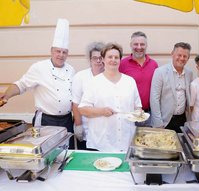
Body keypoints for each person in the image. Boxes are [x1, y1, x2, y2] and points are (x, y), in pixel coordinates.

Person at [0, 19, 76, 149]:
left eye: (64, 52)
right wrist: (6, 96)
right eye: (58, 51)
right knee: (45, 151)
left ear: (67, 53)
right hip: (46, 120)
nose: (61, 55)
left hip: (67, 120)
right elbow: (21, 85)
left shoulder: (71, 70)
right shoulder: (39, 68)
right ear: (51, 51)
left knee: (65, 152)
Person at [78, 43, 142, 152]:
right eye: (110, 57)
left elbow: (137, 107)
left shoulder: (129, 81)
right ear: (103, 59)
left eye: (116, 57)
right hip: (102, 142)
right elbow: (82, 109)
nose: (113, 60)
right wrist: (101, 111)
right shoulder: (94, 82)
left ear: (120, 60)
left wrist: (139, 113)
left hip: (126, 140)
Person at [150, 42, 193, 133]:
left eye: (185, 56)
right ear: (172, 54)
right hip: (165, 121)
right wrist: (158, 123)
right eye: (179, 55)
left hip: (182, 120)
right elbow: (154, 98)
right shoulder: (160, 72)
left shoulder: (189, 73)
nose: (182, 58)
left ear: (188, 58)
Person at [119, 31, 158, 126]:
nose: (139, 47)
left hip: (149, 114)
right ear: (131, 45)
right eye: (136, 44)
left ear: (146, 46)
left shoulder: (154, 64)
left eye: (142, 44)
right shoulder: (122, 64)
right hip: (129, 115)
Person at [72, 42, 105, 150]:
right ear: (90, 60)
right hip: (86, 128)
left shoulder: (109, 76)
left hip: (105, 129)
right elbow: (76, 103)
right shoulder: (80, 77)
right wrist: (78, 125)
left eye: (101, 58)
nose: (98, 61)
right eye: (95, 58)